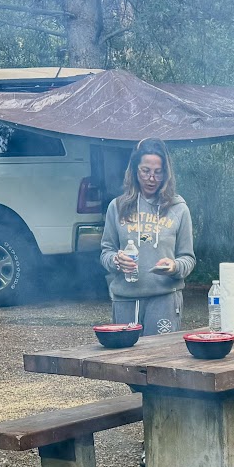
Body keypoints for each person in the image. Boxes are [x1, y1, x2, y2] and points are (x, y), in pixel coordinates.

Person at [99, 138, 195, 334]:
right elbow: (106, 253)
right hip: (124, 300)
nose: (152, 178)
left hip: (165, 300)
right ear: (135, 171)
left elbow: (188, 258)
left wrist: (175, 267)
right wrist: (116, 261)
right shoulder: (117, 207)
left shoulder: (179, 209)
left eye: (158, 172)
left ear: (166, 173)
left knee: (160, 361)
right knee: (124, 362)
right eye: (146, 171)